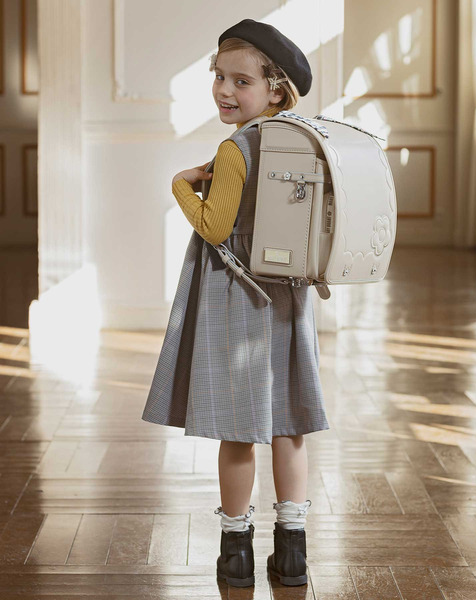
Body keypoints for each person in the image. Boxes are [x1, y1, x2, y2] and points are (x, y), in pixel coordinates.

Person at [141, 18, 330, 588]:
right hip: (289, 298)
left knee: (239, 428)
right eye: (219, 76)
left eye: (241, 81)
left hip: (238, 300)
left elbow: (215, 226)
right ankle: (292, 552)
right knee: (289, 425)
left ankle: (236, 553)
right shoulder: (302, 138)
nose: (225, 90)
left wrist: (182, 186)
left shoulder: (236, 148)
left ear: (275, 89)